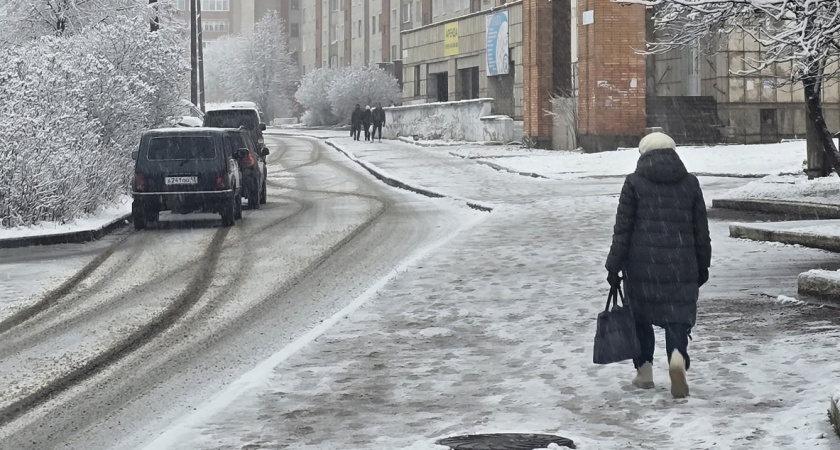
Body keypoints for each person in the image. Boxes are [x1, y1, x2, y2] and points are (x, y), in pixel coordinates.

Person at [605, 131, 711, 399]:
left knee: (641, 317)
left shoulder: (634, 183)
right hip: (682, 265)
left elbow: (622, 230)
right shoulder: (690, 183)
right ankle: (677, 358)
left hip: (642, 267)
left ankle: (644, 372)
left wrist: (613, 266)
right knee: (677, 319)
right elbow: (701, 230)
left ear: (643, 154)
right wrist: (703, 265)